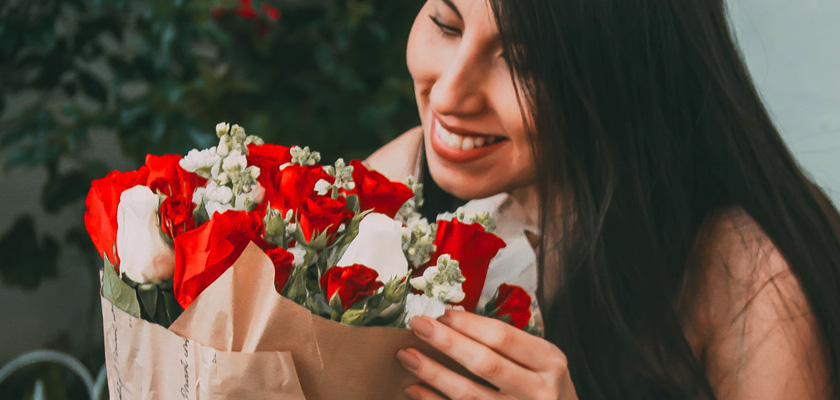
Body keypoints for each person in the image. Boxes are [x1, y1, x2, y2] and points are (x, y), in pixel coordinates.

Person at [365, 0, 840, 399]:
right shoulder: (401, 180)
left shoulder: (750, 269)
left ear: (629, 70)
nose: (449, 95)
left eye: (526, 60)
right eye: (446, 25)